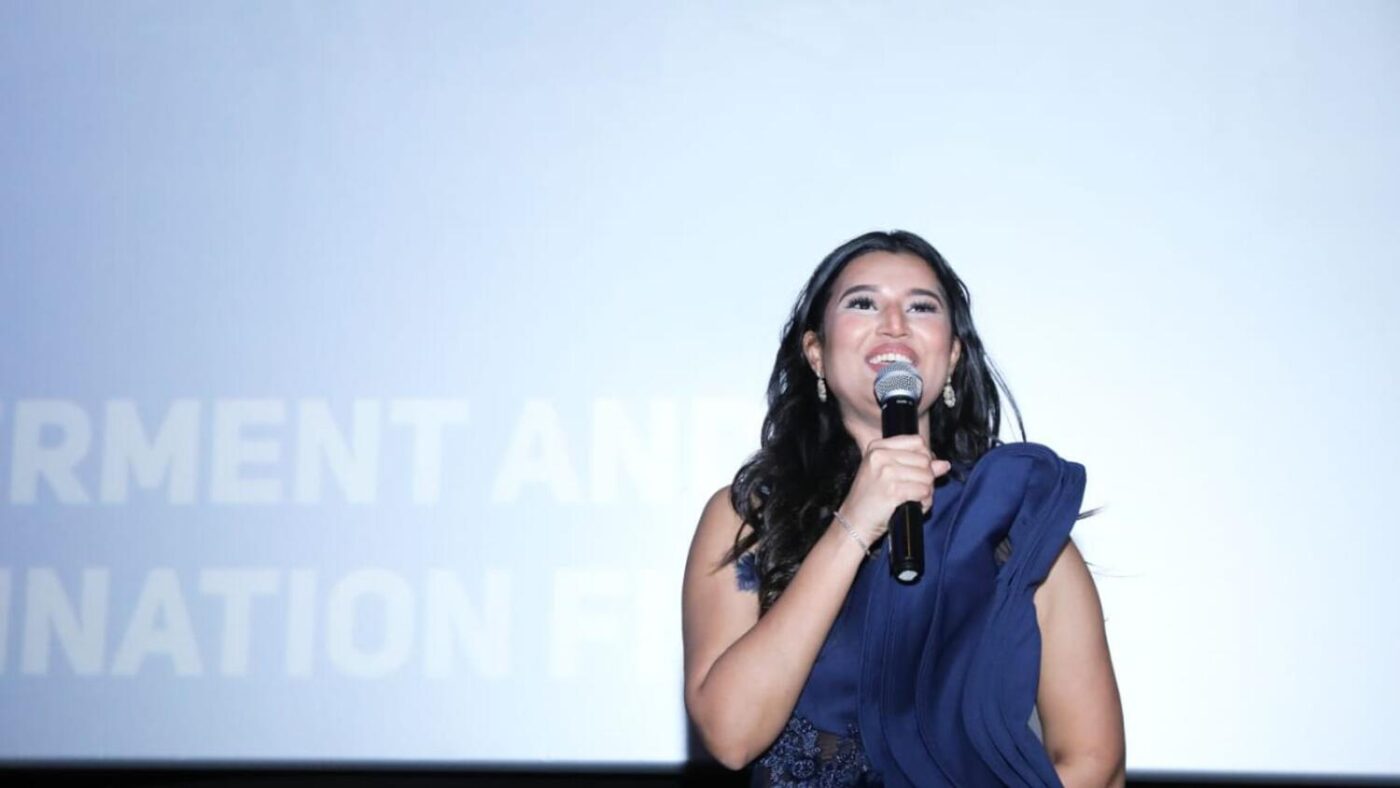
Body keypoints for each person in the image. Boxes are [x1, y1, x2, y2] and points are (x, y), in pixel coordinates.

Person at [681, 230, 1124, 787]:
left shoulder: (1013, 525)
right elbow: (731, 734)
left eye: (921, 307)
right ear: (816, 352)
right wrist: (853, 525)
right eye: (863, 303)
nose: (894, 323)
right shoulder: (749, 518)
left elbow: (1095, 762)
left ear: (952, 354)